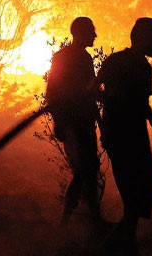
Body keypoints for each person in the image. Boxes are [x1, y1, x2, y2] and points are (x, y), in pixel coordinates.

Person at [98, 17, 152, 254]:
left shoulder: (124, 63)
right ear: (141, 38)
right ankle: (120, 244)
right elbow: (95, 91)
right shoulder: (134, 66)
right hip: (125, 136)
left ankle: (121, 242)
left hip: (126, 134)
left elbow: (139, 104)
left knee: (141, 191)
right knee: (137, 192)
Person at [46, 16, 104, 223]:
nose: (95, 35)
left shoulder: (85, 59)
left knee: (90, 170)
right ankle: (67, 220)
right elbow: (52, 92)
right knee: (83, 171)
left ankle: (93, 219)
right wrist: (60, 122)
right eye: (91, 31)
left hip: (84, 123)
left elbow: (90, 93)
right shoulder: (62, 58)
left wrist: (100, 123)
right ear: (79, 33)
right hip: (72, 124)